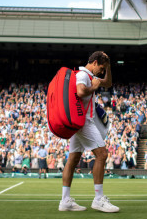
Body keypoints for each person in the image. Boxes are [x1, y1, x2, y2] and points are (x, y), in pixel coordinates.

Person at [59, 51, 119, 213]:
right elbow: (80, 91)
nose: (101, 71)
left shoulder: (88, 74)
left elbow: (108, 83)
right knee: (102, 154)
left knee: (73, 158)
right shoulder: (83, 75)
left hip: (80, 122)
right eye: (101, 67)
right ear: (94, 63)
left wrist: (108, 67)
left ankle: (65, 201)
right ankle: (98, 199)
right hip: (84, 122)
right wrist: (93, 86)